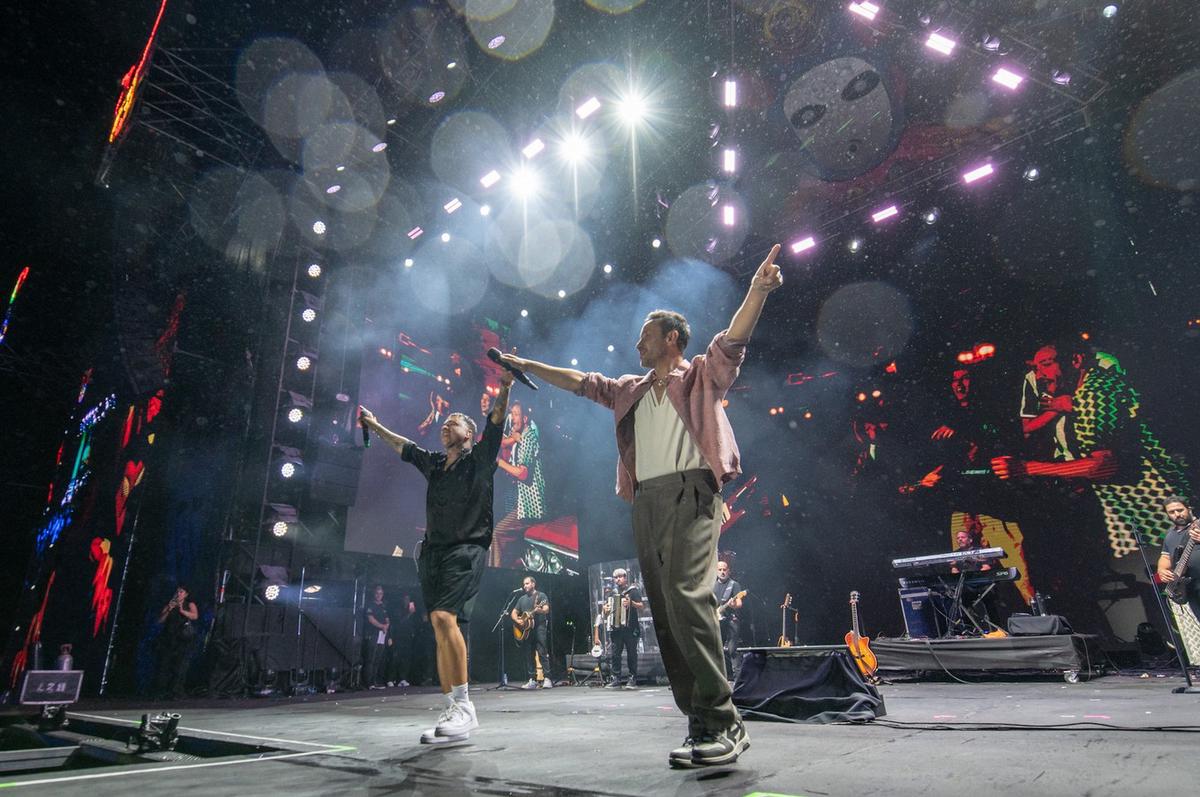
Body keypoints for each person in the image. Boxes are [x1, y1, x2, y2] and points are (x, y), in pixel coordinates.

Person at [498, 243, 783, 768]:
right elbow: (581, 381)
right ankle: (700, 726)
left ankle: (726, 723)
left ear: (671, 339)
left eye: (645, 335)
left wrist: (757, 290)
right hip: (648, 500)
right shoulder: (628, 390)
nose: (637, 342)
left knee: (689, 598)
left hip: (692, 492)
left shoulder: (698, 376)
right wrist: (525, 364)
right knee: (668, 611)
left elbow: (733, 342)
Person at [993, 341, 1192, 636]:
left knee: (1176, 583)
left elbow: (1104, 465)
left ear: (1075, 359)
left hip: (1151, 503)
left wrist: (1028, 468)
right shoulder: (1073, 395)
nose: (1041, 374)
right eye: (1036, 368)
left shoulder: (1099, 389)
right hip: (1121, 509)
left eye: (1047, 364)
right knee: (1149, 585)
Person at [358, 366, 512, 745]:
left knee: (445, 618)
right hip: (434, 554)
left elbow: (496, 418)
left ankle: (465, 707)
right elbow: (403, 446)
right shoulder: (435, 465)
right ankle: (451, 709)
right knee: (442, 629)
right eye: (444, 422)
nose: (446, 425)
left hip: (468, 549)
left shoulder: (481, 458)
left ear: (470, 434)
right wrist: (375, 425)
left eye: (454, 422)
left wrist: (506, 386)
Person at [493, 401, 547, 567]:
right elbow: (501, 440)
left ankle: (495, 572)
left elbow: (523, 473)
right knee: (509, 541)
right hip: (521, 500)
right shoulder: (518, 431)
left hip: (531, 505)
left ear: (524, 418)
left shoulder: (528, 437)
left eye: (516, 414)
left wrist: (499, 462)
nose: (512, 418)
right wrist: (511, 440)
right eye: (512, 414)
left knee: (497, 534)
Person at [1158, 497, 1200, 621]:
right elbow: (1165, 557)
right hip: (1191, 589)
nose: (1177, 514)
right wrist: (1161, 570)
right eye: (1172, 512)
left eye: (1180, 510)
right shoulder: (1169, 536)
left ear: (1189, 509)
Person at [153, 584, 198, 699]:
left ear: (186, 594)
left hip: (183, 639)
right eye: (178, 591)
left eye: (181, 592)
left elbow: (194, 616)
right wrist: (169, 609)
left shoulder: (189, 604)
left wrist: (182, 611)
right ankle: (161, 691)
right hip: (169, 638)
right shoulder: (170, 604)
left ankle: (176, 691)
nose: (179, 594)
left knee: (180, 666)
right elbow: (160, 620)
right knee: (164, 665)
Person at [602, 568, 644, 689]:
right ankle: (616, 679)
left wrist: (631, 603)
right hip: (616, 629)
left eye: (620, 576)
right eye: (616, 577)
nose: (618, 579)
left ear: (625, 578)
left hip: (631, 628)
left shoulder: (633, 591)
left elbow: (641, 606)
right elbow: (605, 611)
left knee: (632, 653)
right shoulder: (611, 593)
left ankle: (632, 678)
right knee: (615, 654)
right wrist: (605, 610)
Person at [511, 575, 552, 689]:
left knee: (542, 651)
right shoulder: (522, 599)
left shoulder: (541, 596)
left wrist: (540, 610)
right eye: (524, 584)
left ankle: (547, 678)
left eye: (527, 583)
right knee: (529, 654)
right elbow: (513, 613)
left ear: (533, 584)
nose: (525, 586)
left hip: (539, 627)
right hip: (527, 631)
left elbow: (546, 609)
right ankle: (532, 680)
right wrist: (518, 620)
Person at [712, 561, 744, 681]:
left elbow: (739, 603)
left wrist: (733, 604)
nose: (722, 572)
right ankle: (719, 679)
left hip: (731, 620)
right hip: (716, 621)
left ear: (728, 571)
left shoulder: (734, 585)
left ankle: (738, 680)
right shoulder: (713, 586)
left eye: (724, 569)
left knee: (732, 650)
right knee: (716, 651)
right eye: (720, 569)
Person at [362, 585, 390, 689]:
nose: (379, 595)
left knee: (378, 659)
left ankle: (374, 681)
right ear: (374, 594)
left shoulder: (383, 606)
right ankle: (368, 683)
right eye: (377, 593)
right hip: (372, 634)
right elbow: (370, 619)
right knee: (370, 659)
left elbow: (387, 619)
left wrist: (386, 625)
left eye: (381, 594)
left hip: (382, 635)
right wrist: (382, 626)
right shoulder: (370, 605)